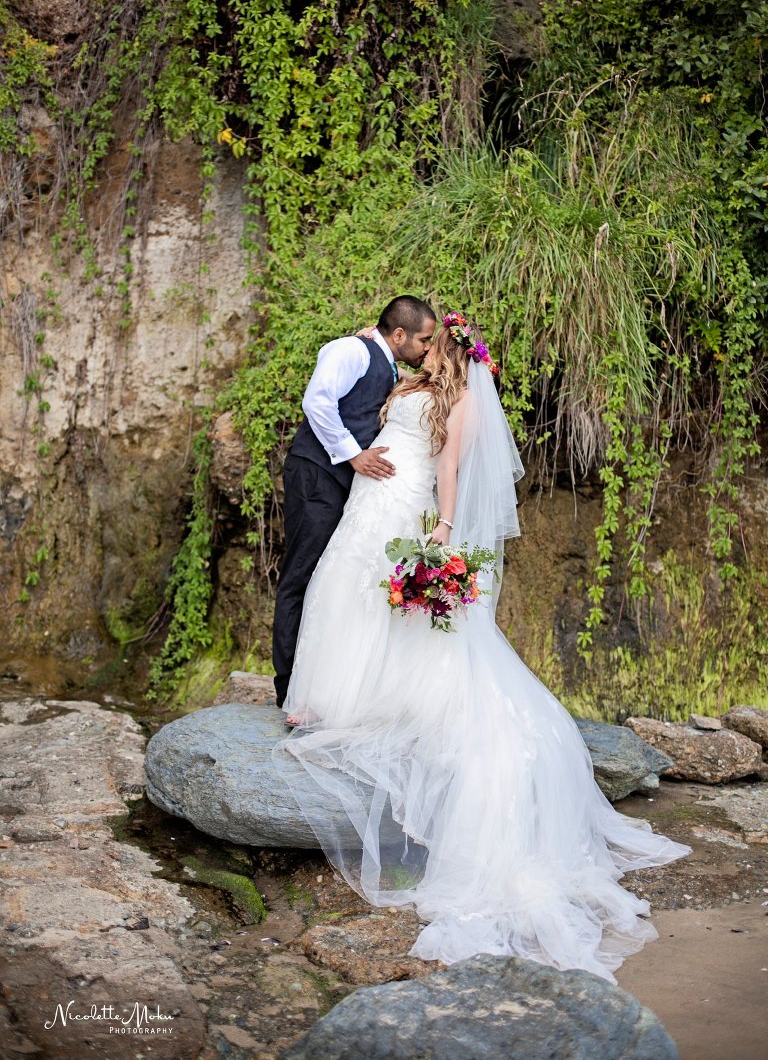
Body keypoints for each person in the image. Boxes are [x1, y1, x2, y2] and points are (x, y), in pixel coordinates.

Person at [273, 312, 691, 982]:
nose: (428, 351)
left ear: (450, 352)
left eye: (436, 345)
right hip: (368, 495)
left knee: (374, 592)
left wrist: (441, 527)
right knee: (339, 585)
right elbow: (363, 403)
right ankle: (326, 695)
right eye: (425, 341)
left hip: (404, 497)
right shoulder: (404, 383)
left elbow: (449, 468)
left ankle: (374, 699)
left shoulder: (462, 401)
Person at [272, 295, 437, 708]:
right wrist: (353, 454)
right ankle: (288, 686)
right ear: (399, 334)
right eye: (423, 340)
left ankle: (317, 684)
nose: (427, 348)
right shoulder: (351, 350)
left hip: (345, 488)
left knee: (328, 579)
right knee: (302, 575)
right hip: (316, 476)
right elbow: (317, 401)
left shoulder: (390, 364)